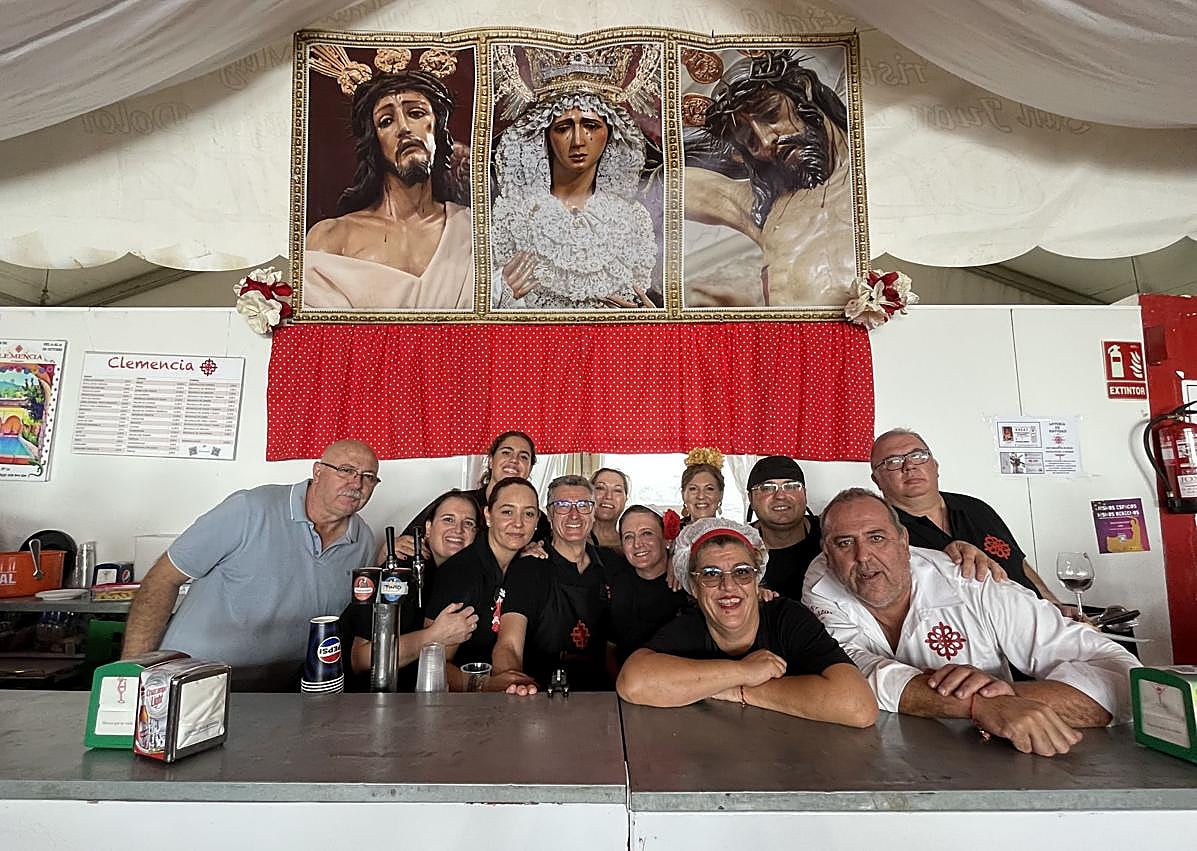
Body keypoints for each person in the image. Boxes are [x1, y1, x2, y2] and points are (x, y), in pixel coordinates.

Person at [803, 488, 1140, 757]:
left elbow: (1123, 680)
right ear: (827, 553)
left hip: (997, 760)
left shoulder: (976, 583)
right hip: (878, 762)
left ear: (904, 541)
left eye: (877, 538)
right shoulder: (821, 583)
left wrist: (1002, 700)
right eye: (844, 543)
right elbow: (854, 673)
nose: (862, 556)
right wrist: (979, 704)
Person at [122, 439, 379, 690]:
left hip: (284, 689)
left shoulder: (363, 541)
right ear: (318, 471)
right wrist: (130, 675)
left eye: (368, 477)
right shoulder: (250, 509)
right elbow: (163, 578)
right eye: (346, 470)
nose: (356, 483)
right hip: (195, 681)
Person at [617, 517, 876, 727]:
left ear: (756, 580)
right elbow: (634, 682)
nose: (728, 586)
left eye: (741, 573)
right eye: (710, 574)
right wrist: (745, 671)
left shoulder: (788, 618)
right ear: (694, 588)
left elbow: (859, 707)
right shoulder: (691, 626)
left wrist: (739, 690)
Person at [490, 44, 662, 310]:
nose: (578, 140)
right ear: (545, 135)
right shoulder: (511, 213)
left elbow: (640, 298)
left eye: (591, 126)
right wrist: (499, 292)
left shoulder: (633, 219)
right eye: (563, 127)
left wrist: (644, 318)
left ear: (611, 135)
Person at [304, 49, 473, 310]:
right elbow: (321, 340)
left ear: (437, 129)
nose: (403, 128)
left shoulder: (473, 231)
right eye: (386, 121)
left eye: (416, 113)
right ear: (375, 143)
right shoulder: (333, 239)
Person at [683, 50, 854, 307]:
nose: (766, 141)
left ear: (803, 89)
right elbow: (657, 185)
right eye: (750, 141)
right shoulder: (762, 207)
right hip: (796, 344)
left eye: (772, 113)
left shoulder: (870, 159)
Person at [869, 428, 1061, 604]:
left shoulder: (976, 508)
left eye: (918, 456)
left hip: (1041, 624)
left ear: (935, 466)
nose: (909, 466)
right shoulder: (879, 532)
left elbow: (1021, 566)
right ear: (876, 479)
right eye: (893, 462)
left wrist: (1056, 607)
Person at [345, 490, 481, 690]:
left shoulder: (462, 576)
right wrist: (434, 636)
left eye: (468, 523)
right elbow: (361, 659)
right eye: (448, 519)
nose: (458, 530)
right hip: (342, 694)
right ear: (428, 527)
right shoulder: (402, 568)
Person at [423, 477, 544, 692]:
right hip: (458, 707)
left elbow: (510, 645)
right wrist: (487, 684)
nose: (518, 523)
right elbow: (433, 665)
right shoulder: (460, 573)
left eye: (528, 514)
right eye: (507, 512)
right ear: (488, 516)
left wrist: (513, 686)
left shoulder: (528, 565)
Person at [493, 475, 613, 692]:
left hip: (600, 699)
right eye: (562, 506)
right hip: (540, 696)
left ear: (594, 513)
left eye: (583, 505)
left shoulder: (611, 565)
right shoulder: (528, 568)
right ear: (548, 514)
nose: (574, 514)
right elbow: (508, 645)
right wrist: (514, 684)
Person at [608, 505, 687, 662]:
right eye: (629, 537)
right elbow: (610, 648)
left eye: (647, 533)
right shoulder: (615, 583)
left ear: (666, 538)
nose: (637, 544)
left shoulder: (688, 585)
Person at [744, 455, 822, 600]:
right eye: (767, 488)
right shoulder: (738, 545)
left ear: (804, 494)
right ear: (751, 499)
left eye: (791, 486)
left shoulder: (831, 536)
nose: (780, 495)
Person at [590, 467, 629, 553]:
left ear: (626, 498)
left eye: (617, 490)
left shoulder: (632, 544)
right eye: (600, 488)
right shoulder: (574, 539)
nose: (608, 496)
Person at [681, 447, 724, 523]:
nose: (701, 496)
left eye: (709, 489)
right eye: (693, 489)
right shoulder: (671, 533)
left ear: (721, 495)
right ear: (683, 494)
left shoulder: (733, 532)